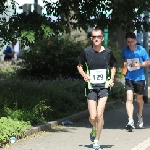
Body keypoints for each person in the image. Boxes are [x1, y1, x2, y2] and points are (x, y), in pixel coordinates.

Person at [77, 28, 117, 150]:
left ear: (102, 38)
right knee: (93, 116)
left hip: (103, 87)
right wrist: (84, 75)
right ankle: (94, 128)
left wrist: (111, 79)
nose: (96, 38)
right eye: (94, 37)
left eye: (98, 36)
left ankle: (96, 141)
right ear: (91, 38)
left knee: (100, 114)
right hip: (91, 87)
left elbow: (113, 67)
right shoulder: (86, 52)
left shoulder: (108, 53)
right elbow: (79, 66)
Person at [121, 32, 150, 131]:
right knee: (129, 99)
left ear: (135, 41)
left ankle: (140, 115)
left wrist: (139, 64)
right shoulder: (125, 50)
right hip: (129, 77)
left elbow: (148, 62)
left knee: (139, 100)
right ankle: (130, 121)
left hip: (140, 78)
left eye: (132, 41)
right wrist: (124, 65)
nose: (130, 44)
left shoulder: (141, 50)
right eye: (128, 42)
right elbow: (123, 60)